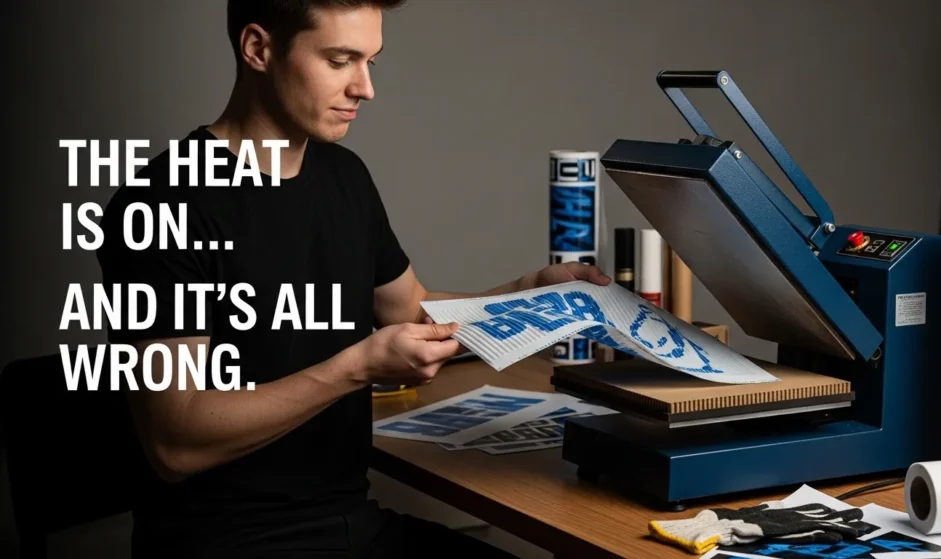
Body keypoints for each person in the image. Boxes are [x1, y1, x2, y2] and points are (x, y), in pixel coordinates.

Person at [96, 0, 610, 557]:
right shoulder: (161, 205)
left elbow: (409, 311)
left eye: (370, 62)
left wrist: (529, 293)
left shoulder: (345, 177)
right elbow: (176, 443)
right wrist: (356, 367)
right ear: (258, 49)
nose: (365, 88)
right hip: (228, 544)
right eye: (339, 61)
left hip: (353, 527)